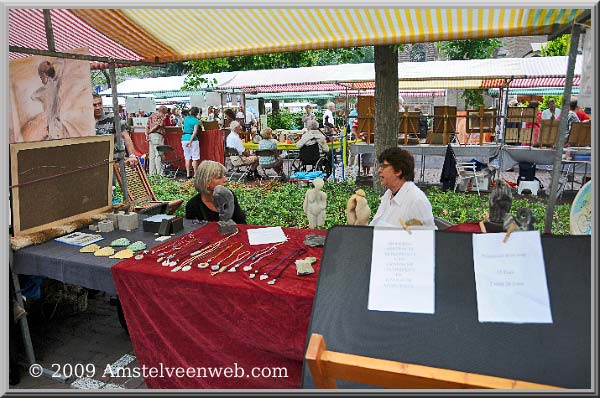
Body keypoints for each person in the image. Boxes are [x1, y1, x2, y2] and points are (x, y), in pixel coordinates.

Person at [369, 147, 435, 228]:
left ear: (398, 171)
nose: (379, 170)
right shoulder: (389, 194)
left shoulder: (417, 201)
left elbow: (427, 238)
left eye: (384, 166)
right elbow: (374, 227)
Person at [93, 94, 138, 166]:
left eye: (99, 104)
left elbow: (126, 136)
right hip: (96, 164)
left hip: (115, 164)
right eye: (94, 105)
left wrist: (132, 156)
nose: (98, 107)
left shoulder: (114, 117)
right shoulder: (86, 123)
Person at [32, 59, 67, 140]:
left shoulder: (48, 87)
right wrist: (52, 63)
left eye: (40, 74)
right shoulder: (53, 84)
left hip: (54, 128)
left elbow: (33, 97)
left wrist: (50, 64)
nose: (40, 77)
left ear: (44, 75)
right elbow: (62, 62)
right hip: (53, 126)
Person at [145, 106, 168, 176]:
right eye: (166, 111)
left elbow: (146, 126)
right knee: (158, 154)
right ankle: (160, 173)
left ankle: (152, 173)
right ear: (163, 110)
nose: (166, 112)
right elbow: (159, 124)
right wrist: (151, 131)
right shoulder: (161, 115)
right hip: (157, 135)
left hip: (151, 137)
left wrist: (147, 134)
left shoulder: (152, 115)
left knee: (152, 155)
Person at [182, 106, 202, 179]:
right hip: (193, 140)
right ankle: (195, 174)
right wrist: (190, 141)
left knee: (187, 157)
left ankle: (188, 174)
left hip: (184, 138)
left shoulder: (186, 119)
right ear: (197, 113)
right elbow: (195, 132)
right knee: (195, 157)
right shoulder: (196, 120)